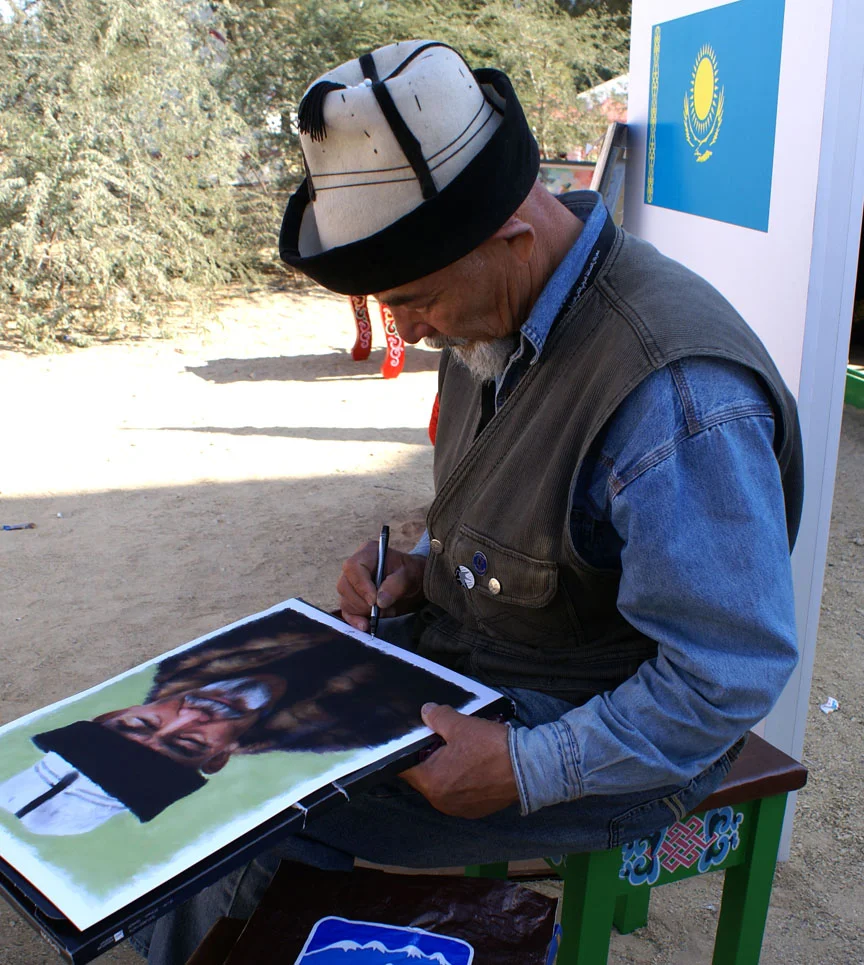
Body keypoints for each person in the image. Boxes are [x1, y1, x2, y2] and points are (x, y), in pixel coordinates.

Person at [132, 39, 803, 963]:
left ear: (511, 239)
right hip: (485, 659)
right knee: (208, 736)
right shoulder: (495, 310)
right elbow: (530, 510)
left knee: (248, 816)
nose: (405, 329)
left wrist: (525, 766)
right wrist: (419, 567)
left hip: (626, 739)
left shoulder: (673, 398)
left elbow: (723, 679)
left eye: (415, 300)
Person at [2, 608, 472, 835]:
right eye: (186, 746)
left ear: (115, 713)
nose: (189, 717)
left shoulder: (194, 660)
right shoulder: (358, 731)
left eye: (141, 726)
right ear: (218, 758)